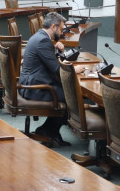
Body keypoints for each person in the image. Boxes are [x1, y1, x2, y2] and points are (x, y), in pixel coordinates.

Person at [18, 12, 87, 147]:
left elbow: (50, 62)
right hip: (35, 88)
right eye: (61, 29)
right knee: (73, 96)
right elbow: (57, 70)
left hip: (33, 82)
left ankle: (48, 130)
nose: (62, 33)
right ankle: (49, 131)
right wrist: (74, 70)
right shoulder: (43, 41)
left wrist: (60, 52)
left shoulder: (39, 36)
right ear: (53, 26)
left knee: (70, 92)